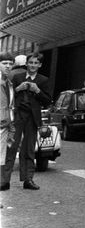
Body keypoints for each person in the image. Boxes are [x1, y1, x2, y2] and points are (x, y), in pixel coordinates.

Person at [2, 52, 52, 191]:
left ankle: (28, 179)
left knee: (29, 150)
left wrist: (37, 91)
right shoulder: (16, 77)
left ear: (40, 65)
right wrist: (18, 89)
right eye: (31, 62)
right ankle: (4, 180)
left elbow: (48, 101)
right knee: (11, 148)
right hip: (17, 116)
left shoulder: (43, 80)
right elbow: (6, 96)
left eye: (36, 63)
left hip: (32, 117)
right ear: (27, 64)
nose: (33, 65)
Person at [1, 55, 16, 185]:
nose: (7, 66)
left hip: (6, 127)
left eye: (10, 63)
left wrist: (12, 126)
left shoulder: (9, 83)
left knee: (1, 161)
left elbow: (10, 106)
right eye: (4, 63)